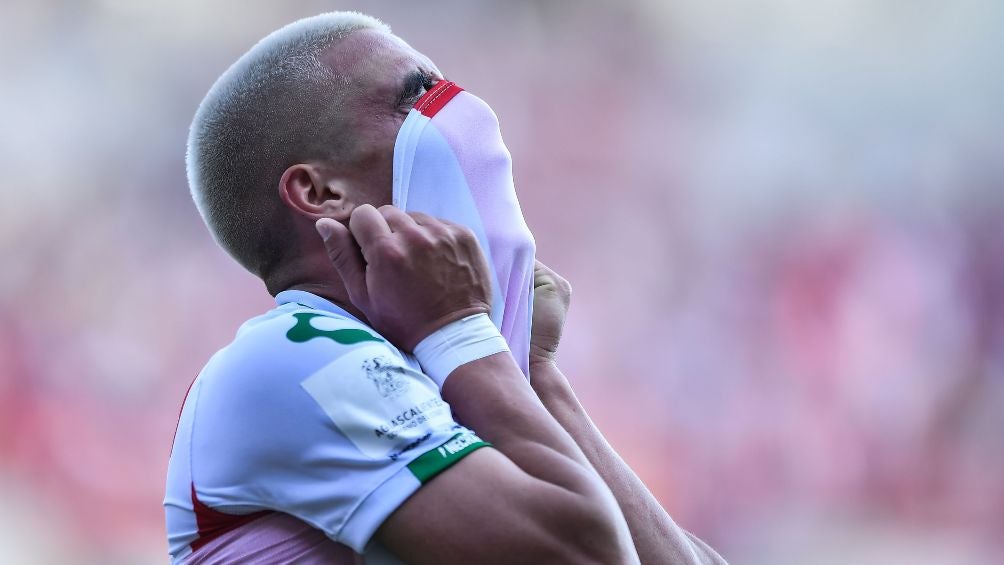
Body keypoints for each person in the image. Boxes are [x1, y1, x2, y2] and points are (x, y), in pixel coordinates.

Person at [164, 11, 726, 565]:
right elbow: (589, 555)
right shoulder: (298, 356)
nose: (459, 107)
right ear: (321, 191)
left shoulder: (422, 365)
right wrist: (458, 329)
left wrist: (534, 373)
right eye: (416, 95)